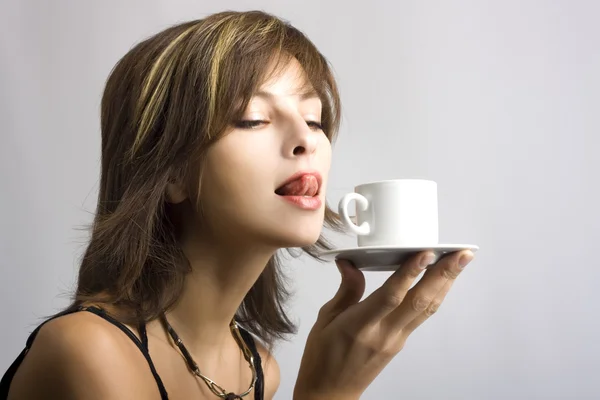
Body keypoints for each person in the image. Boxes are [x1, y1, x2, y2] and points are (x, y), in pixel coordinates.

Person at [0, 10, 475, 400]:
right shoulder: (89, 353)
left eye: (313, 118)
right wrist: (328, 395)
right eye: (252, 119)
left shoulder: (258, 370)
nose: (306, 140)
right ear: (170, 174)